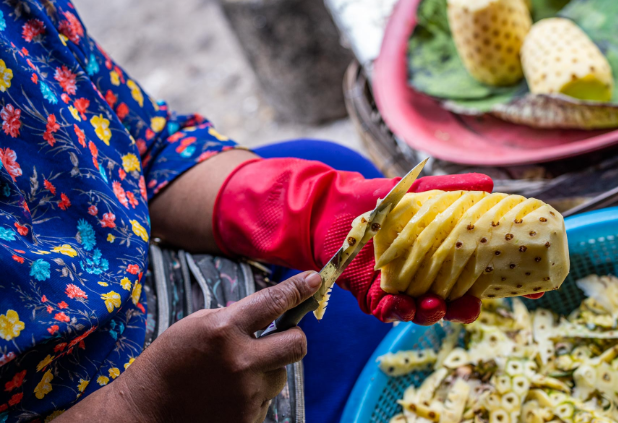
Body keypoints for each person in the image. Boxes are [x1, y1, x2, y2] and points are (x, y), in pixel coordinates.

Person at [0, 1, 540, 421]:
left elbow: (141, 146)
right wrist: (142, 408)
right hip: (94, 400)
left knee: (323, 163)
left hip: (133, 271)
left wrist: (302, 210)